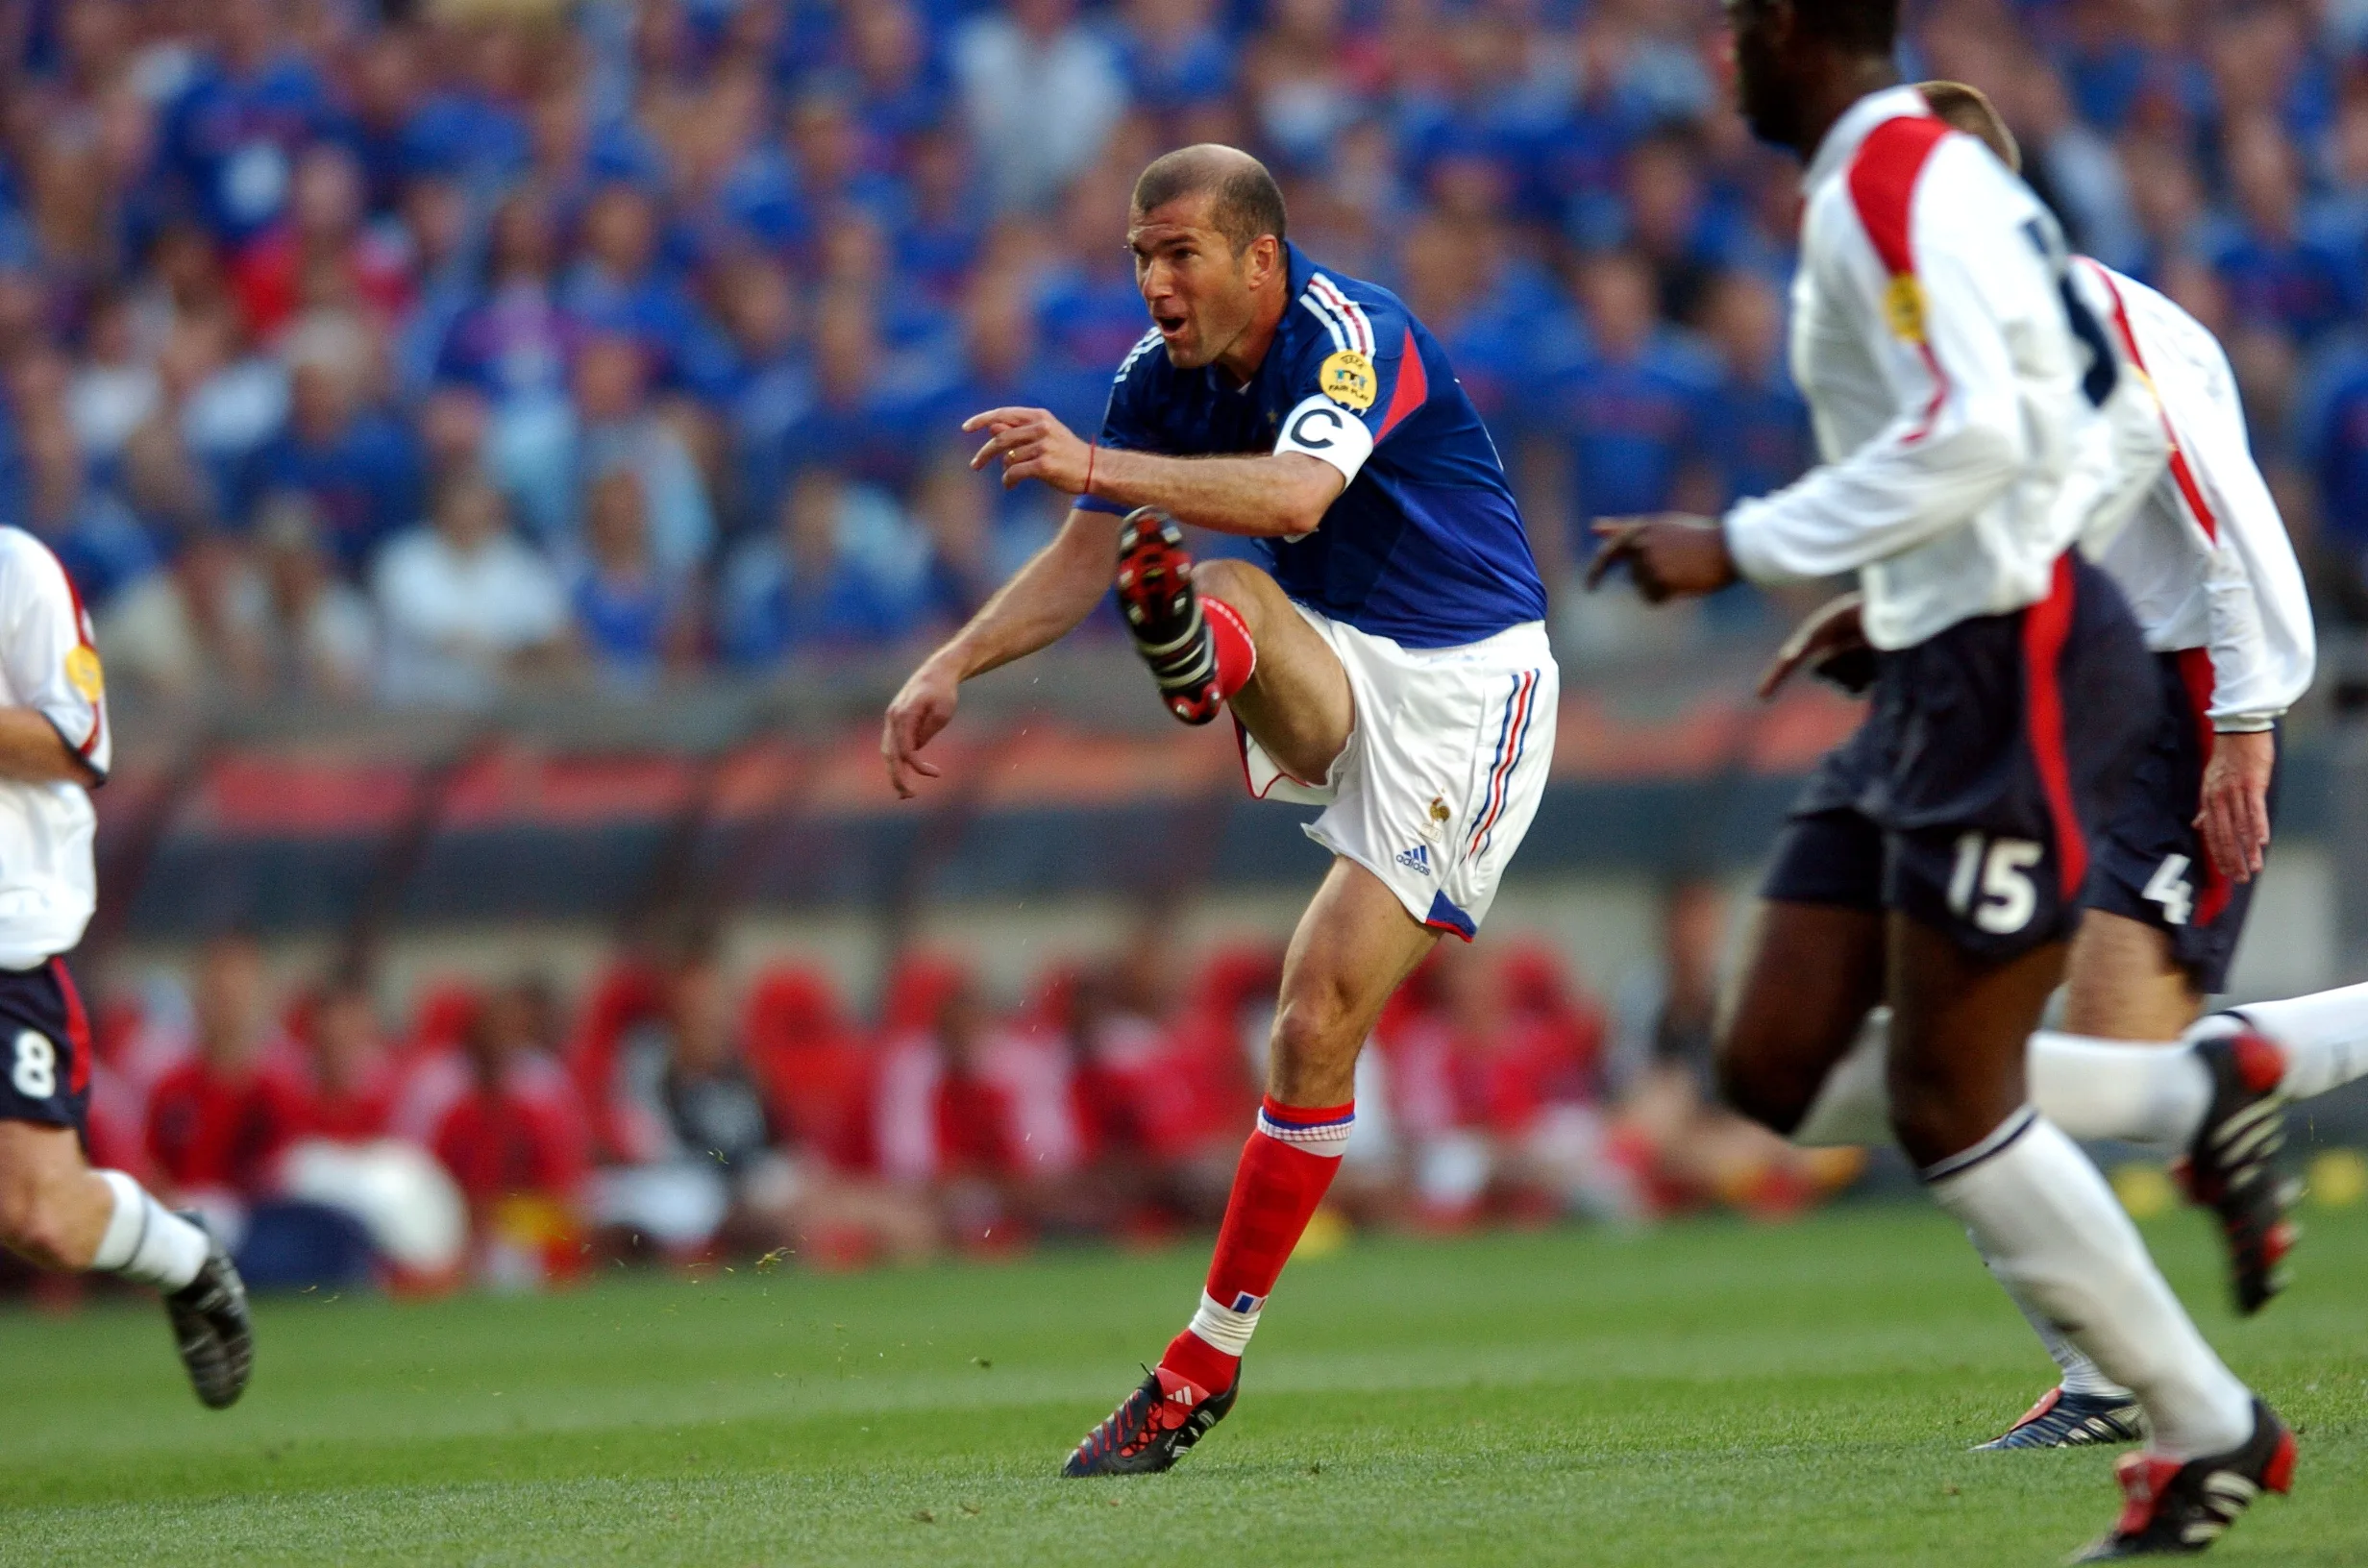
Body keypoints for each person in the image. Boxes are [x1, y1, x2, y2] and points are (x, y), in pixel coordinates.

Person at [1584, 9, 2290, 1557]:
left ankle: (2203, 1423)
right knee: (1768, 1067)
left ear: (1797, 34)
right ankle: (2197, 1089)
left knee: (1952, 1090)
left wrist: (1752, 545)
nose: (1721, 64)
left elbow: (2004, 425)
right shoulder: (1915, 188)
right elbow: (2077, 413)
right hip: (1949, 650)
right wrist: (1897, 590)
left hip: (2019, 664)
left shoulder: (1897, 185)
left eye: (1736, 33)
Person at [882, 144, 1554, 1476]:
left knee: (1315, 1024)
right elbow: (1085, 551)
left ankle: (1199, 657)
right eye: (1140, 257)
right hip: (1329, 653)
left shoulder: (1355, 335)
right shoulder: (1159, 384)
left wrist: (1096, 466)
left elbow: (1302, 493)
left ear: (1259, 255)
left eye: (1177, 253)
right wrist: (954, 660)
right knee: (1233, 597)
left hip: (1472, 689)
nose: (1154, 282)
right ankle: (1201, 1375)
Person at [1760, 80, 2364, 1454]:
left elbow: (2230, 516)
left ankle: (2105, 1377)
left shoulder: (2098, 325)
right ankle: (2098, 1372)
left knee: (2090, 1066)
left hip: (2184, 695)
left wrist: (2249, 721)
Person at [0, 527, 251, 1408]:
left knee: (43, 1219)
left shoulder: (15, 569)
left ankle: (186, 1259)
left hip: (8, 940)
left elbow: (78, 742)